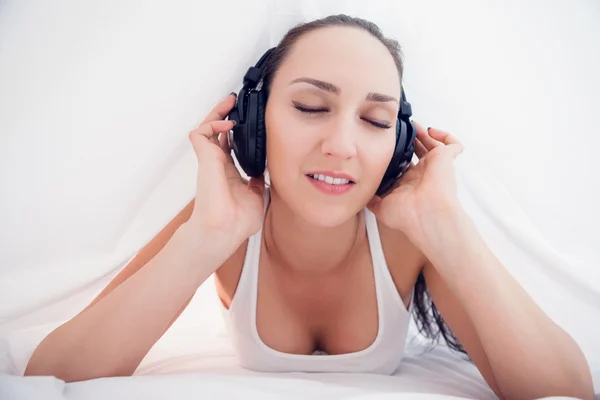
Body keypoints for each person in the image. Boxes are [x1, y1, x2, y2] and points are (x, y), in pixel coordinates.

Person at [25, 14, 593, 400]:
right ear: (252, 124)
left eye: (374, 121)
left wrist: (447, 227)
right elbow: (53, 374)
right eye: (310, 106)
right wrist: (207, 236)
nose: (343, 146)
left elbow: (568, 390)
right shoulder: (219, 223)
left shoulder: (410, 237)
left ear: (397, 145)